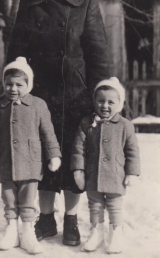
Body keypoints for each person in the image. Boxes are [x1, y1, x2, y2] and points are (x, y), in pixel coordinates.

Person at [6, 0, 111, 246]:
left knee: (74, 158)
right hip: (38, 96)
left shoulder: (85, 4)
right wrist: (17, 88)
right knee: (39, 157)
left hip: (76, 95)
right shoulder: (28, 5)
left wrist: (100, 96)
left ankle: (72, 220)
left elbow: (98, 55)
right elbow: (17, 53)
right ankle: (47, 219)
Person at [0, 57, 61, 255]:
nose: (13, 89)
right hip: (6, 162)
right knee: (9, 199)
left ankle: (28, 232)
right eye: (8, 84)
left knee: (28, 200)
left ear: (28, 84)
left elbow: (48, 134)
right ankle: (11, 230)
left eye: (19, 84)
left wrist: (53, 156)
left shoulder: (38, 105)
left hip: (31, 163)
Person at [71, 77, 140, 254]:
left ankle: (115, 234)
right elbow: (78, 148)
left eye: (111, 102)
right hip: (93, 174)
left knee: (115, 206)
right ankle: (96, 233)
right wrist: (78, 169)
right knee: (94, 204)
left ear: (119, 103)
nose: (105, 106)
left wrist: (132, 173)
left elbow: (132, 151)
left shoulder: (125, 125)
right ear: (94, 101)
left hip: (116, 175)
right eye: (100, 101)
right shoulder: (87, 123)